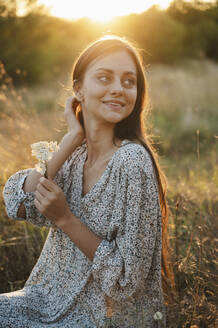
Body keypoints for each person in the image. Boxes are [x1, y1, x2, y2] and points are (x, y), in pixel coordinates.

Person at [1, 35, 174, 327]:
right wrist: (70, 140)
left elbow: (126, 282)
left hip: (104, 318)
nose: (118, 89)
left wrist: (65, 218)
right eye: (105, 78)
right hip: (44, 300)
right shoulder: (75, 156)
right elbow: (16, 203)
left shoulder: (132, 162)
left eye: (129, 82)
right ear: (78, 89)